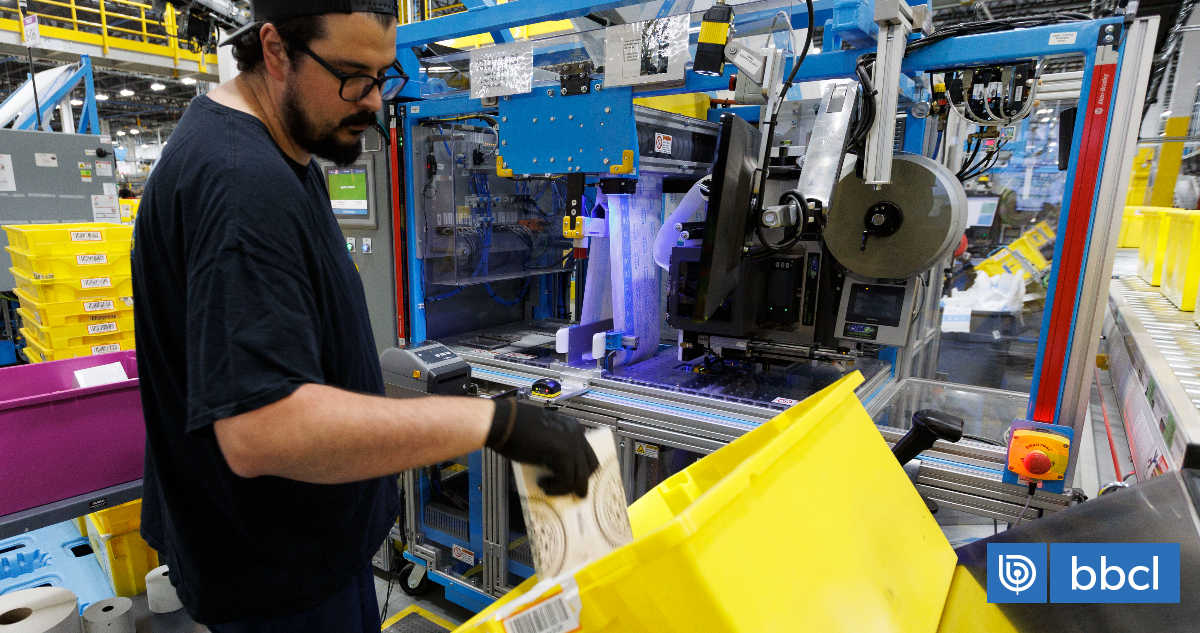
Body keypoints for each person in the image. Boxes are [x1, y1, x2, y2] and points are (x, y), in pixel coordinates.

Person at [129, 0, 599, 629]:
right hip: (280, 582)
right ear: (275, 50)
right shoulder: (241, 183)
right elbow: (263, 429)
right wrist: (496, 422)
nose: (375, 101)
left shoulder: (276, 151)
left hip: (296, 553)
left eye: (383, 76)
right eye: (353, 76)